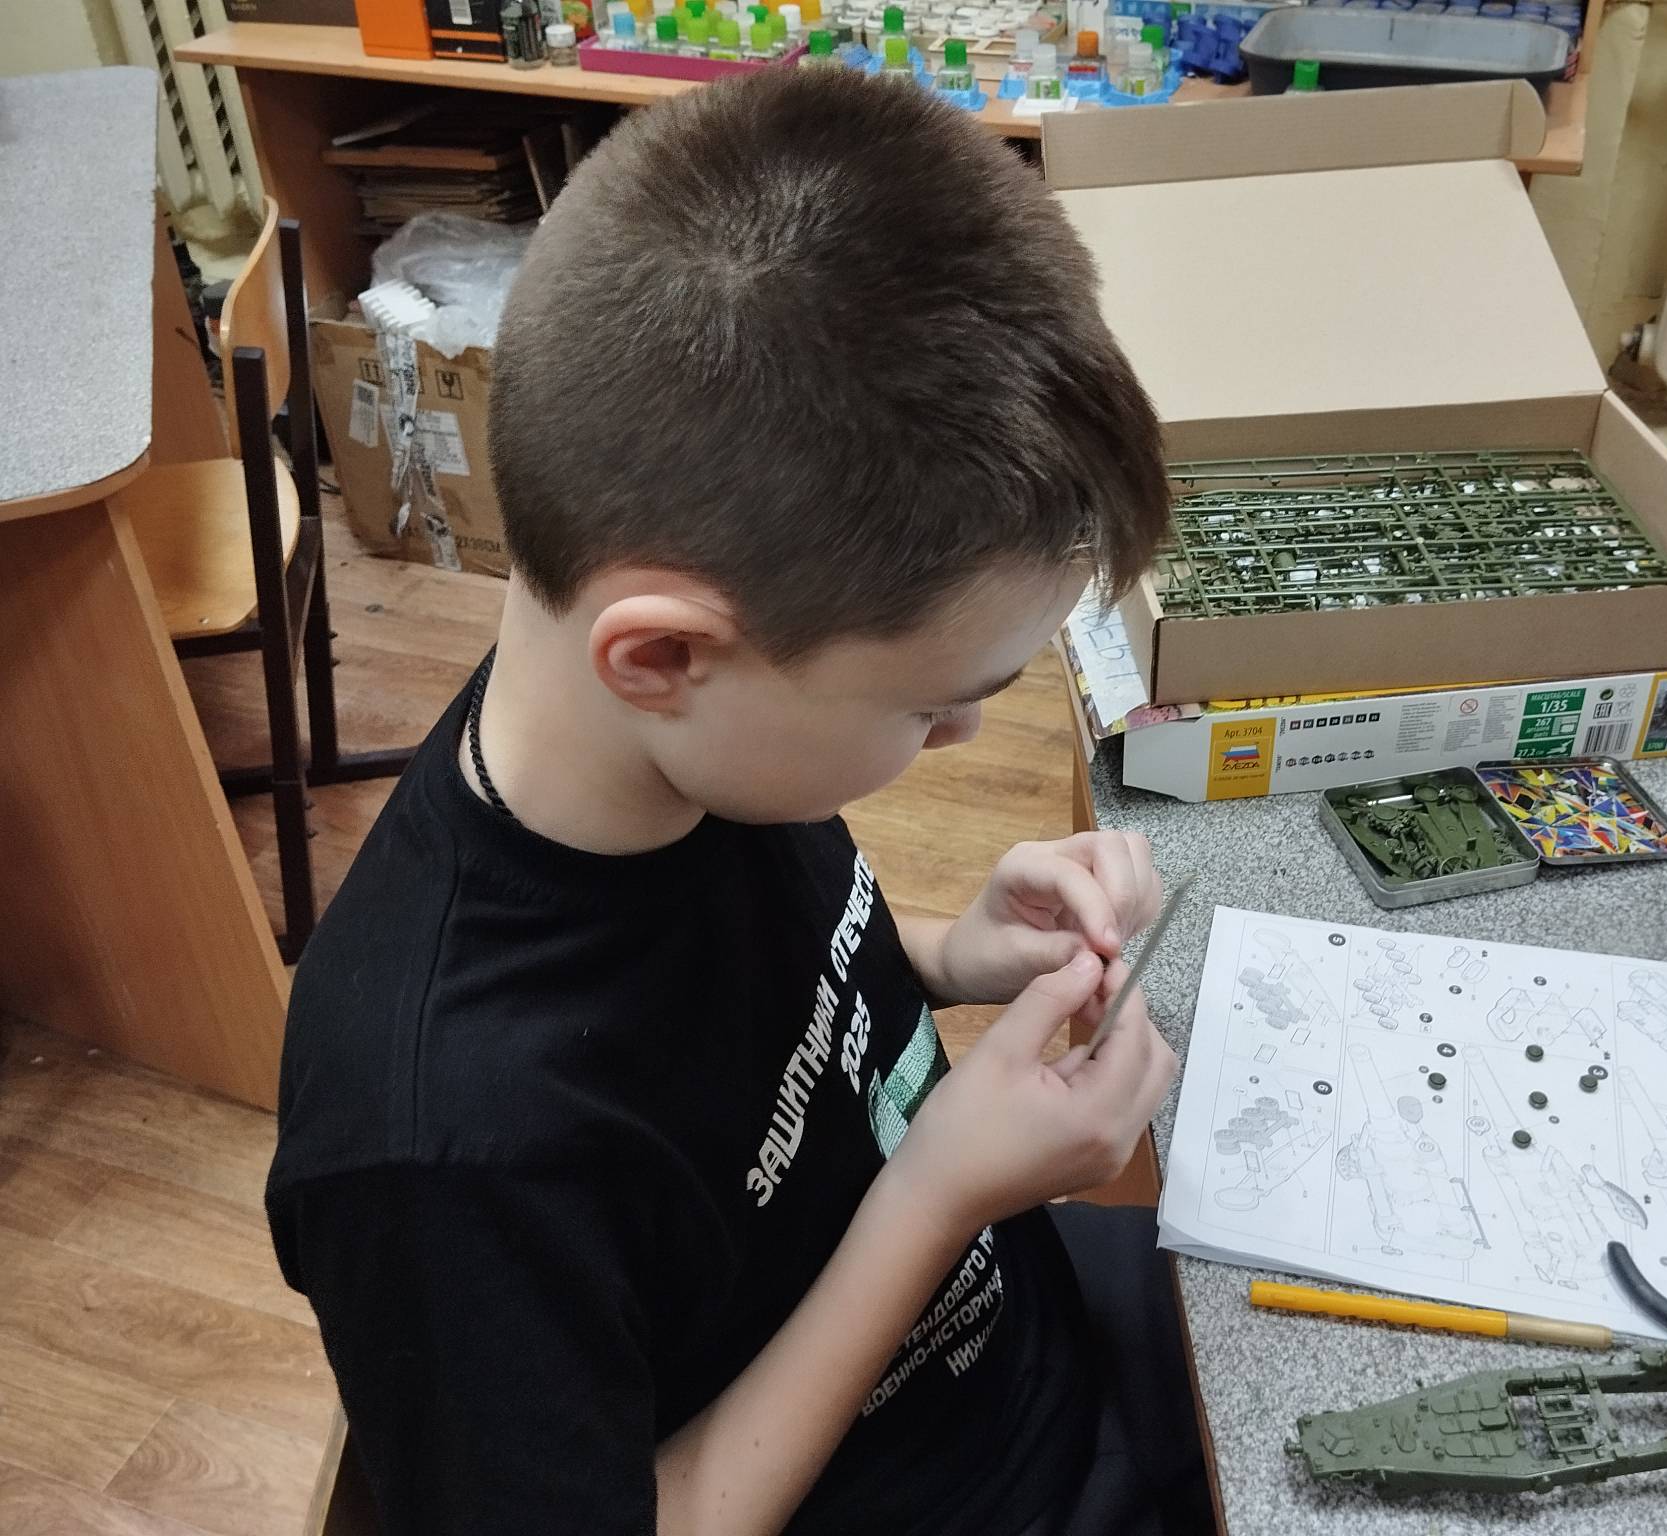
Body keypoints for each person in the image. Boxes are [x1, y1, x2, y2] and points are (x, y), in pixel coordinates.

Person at [267, 65, 1214, 1536]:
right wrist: (932, 1201)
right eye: (929, 701)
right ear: (663, 656)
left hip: (1032, 1349)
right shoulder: (439, 1152)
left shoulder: (669, 750)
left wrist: (951, 954)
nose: (966, 732)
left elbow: (738, 1015)